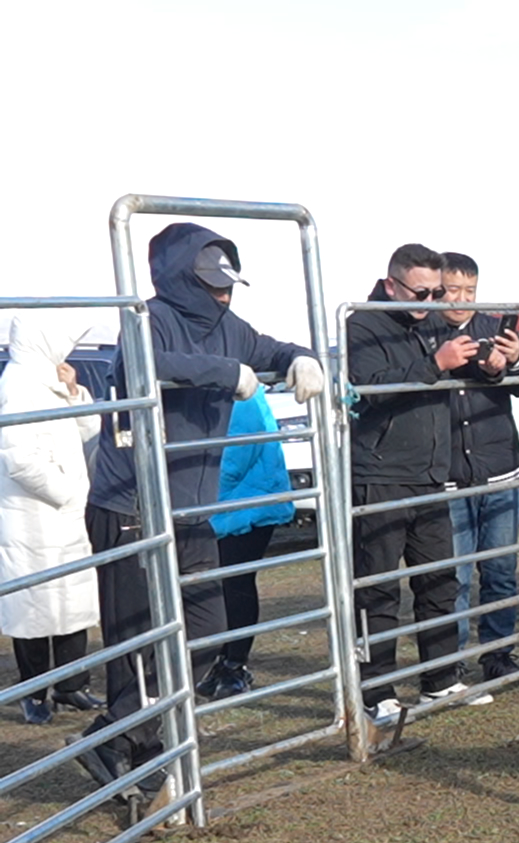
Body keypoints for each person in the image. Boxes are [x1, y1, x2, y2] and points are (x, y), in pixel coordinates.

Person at [71, 223, 324, 797]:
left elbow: (270, 348)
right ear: (179, 277)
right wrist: (223, 373)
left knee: (207, 630)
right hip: (132, 502)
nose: (223, 294)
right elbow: (144, 365)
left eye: (228, 283)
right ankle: (135, 751)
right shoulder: (147, 318)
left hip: (190, 509)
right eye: (210, 283)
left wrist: (301, 359)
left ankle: (116, 736)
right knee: (136, 638)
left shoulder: (230, 328)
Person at [346, 243, 490, 725]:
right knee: (379, 589)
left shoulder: (428, 321)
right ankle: (375, 690)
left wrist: (492, 365)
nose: (431, 302)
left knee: (438, 580)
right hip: (379, 475)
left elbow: (457, 365)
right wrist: (436, 365)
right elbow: (371, 387)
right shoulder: (360, 325)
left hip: (430, 475)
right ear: (391, 284)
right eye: (422, 291)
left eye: (437, 293)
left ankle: (440, 678)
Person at [437, 252, 519, 684]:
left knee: (500, 572)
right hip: (446, 474)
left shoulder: (494, 329)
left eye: (469, 291)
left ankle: (499, 655)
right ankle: (452, 661)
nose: (460, 299)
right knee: (454, 577)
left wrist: (514, 361)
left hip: (500, 468)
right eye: (451, 290)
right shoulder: (421, 330)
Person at [0, 316, 102, 726]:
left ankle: (71, 684)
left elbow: (90, 430)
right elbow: (18, 457)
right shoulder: (17, 388)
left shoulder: (49, 382)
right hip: (31, 518)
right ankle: (33, 690)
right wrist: (67, 492)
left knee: (70, 601)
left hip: (65, 516)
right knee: (32, 607)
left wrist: (75, 392)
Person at [200, 388, 295, 700]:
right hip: (233, 504)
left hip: (247, 503)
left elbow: (238, 453)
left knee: (236, 583)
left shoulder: (242, 393)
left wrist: (200, 489)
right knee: (224, 585)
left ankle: (235, 664)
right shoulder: (222, 390)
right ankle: (223, 662)